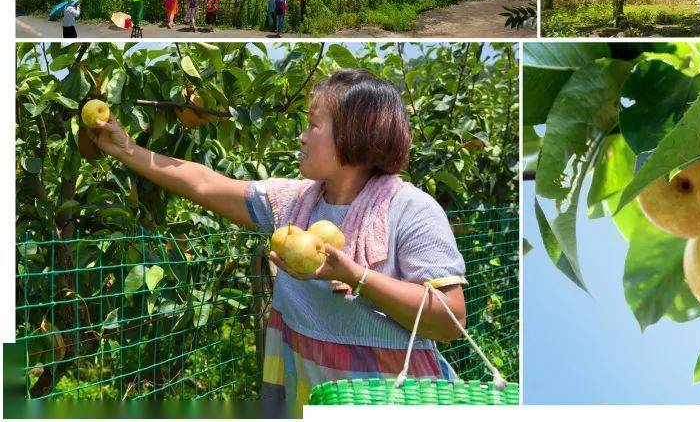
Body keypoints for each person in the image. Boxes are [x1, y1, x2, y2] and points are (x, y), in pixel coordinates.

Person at [84, 69, 466, 417]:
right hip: (307, 397)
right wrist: (124, 148)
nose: (301, 136)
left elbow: (450, 320)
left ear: (354, 133)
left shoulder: (410, 210)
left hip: (390, 403)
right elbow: (203, 182)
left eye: (313, 125)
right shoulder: (295, 204)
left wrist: (354, 274)